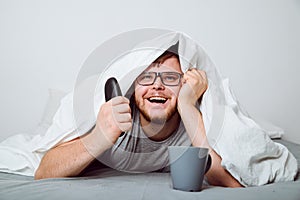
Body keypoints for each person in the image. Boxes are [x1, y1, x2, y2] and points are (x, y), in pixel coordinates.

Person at [34, 50, 242, 187]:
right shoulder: (116, 113)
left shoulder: (195, 118)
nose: (157, 86)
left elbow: (231, 182)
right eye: (146, 77)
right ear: (133, 88)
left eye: (170, 78)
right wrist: (100, 136)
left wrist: (187, 106)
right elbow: (44, 171)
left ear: (185, 85)